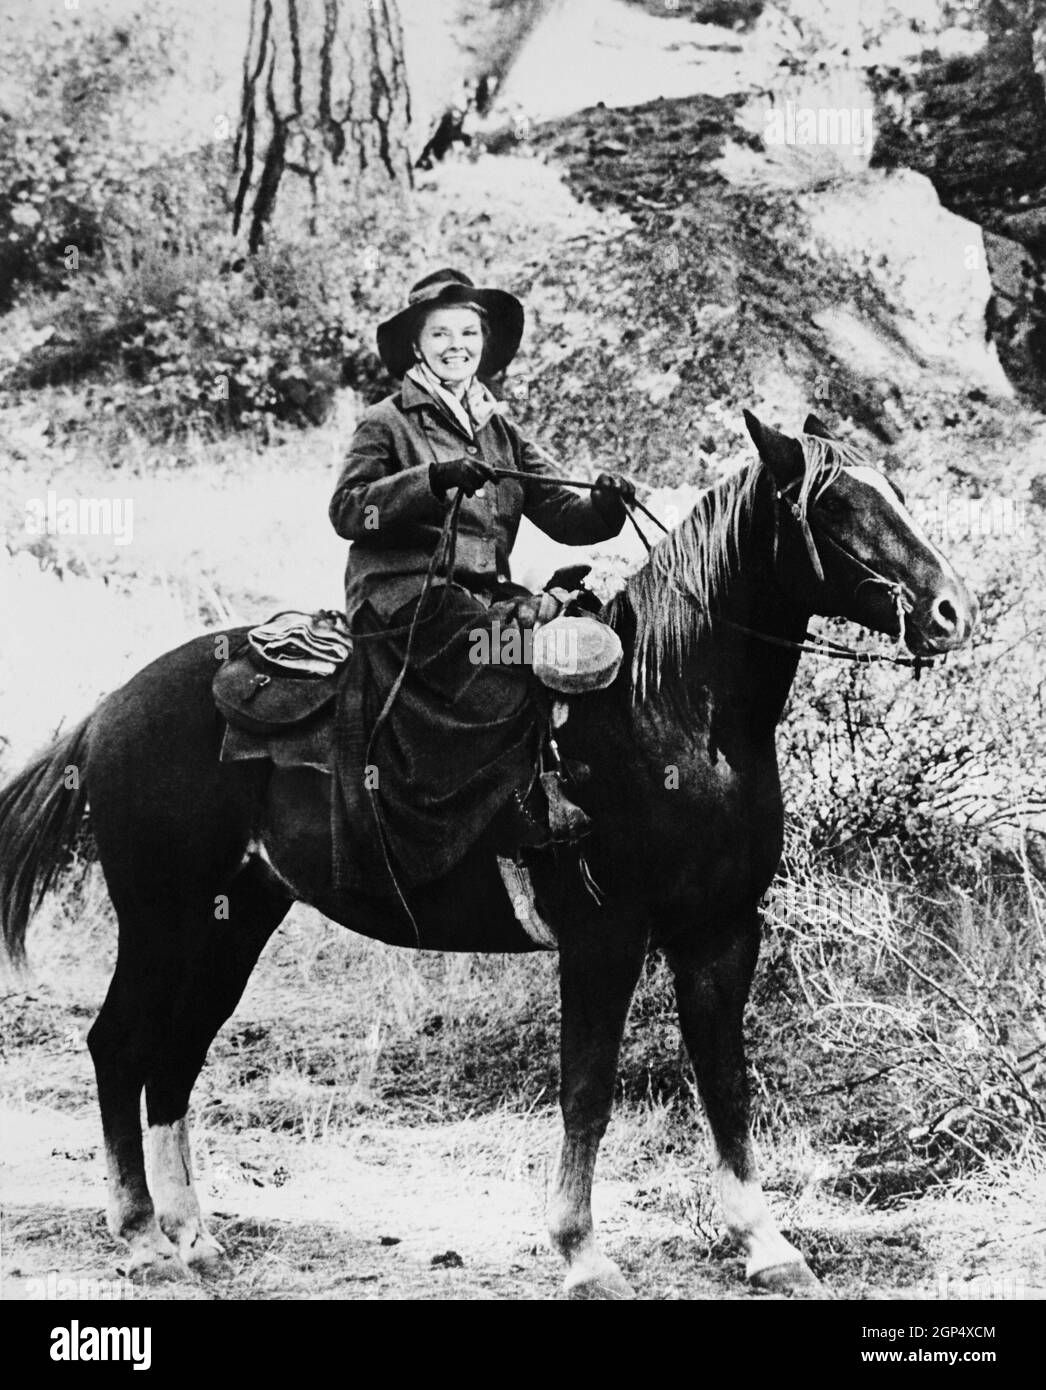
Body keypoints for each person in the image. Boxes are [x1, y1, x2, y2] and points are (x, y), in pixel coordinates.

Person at [328, 267, 635, 891]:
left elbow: (564, 515)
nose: (455, 345)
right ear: (417, 344)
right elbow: (348, 511)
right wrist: (430, 481)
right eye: (439, 334)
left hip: (482, 597)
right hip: (407, 599)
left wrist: (607, 504)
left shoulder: (500, 427)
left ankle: (557, 799)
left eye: (468, 332)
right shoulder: (385, 422)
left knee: (571, 648)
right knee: (505, 656)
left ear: (484, 343)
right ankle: (488, 822)